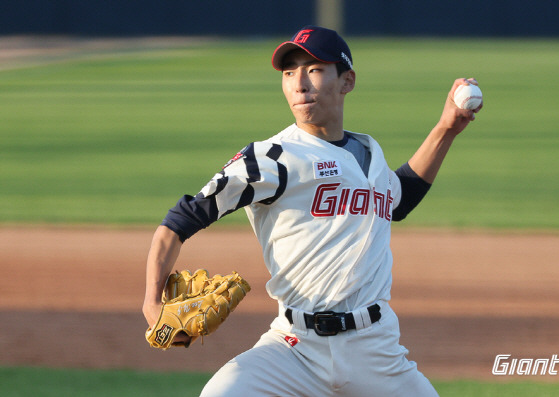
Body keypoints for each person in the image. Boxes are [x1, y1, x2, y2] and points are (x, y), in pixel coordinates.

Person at [143, 25, 482, 397]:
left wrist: (446, 128)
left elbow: (399, 197)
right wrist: (151, 302)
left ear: (347, 81)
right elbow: (179, 221)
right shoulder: (272, 158)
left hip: (376, 350)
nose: (299, 83)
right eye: (289, 73)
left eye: (314, 69)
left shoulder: (369, 153)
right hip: (294, 349)